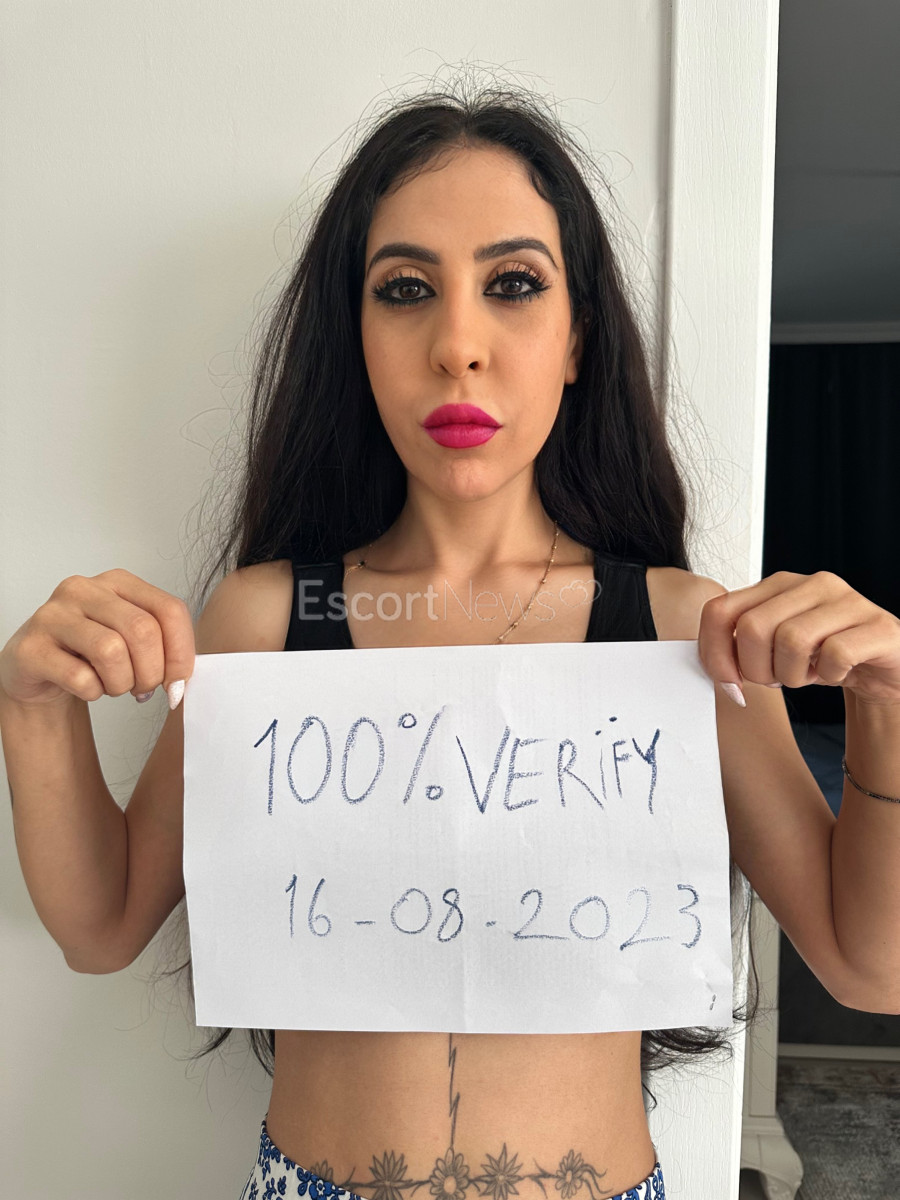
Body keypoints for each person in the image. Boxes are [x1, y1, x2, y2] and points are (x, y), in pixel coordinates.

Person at [2, 82, 899, 1200]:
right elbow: (101, 927)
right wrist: (34, 708)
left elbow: (870, 967)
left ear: (577, 339)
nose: (458, 345)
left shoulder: (680, 630)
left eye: (513, 284)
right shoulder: (267, 621)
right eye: (406, 290)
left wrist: (887, 705)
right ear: (357, 338)